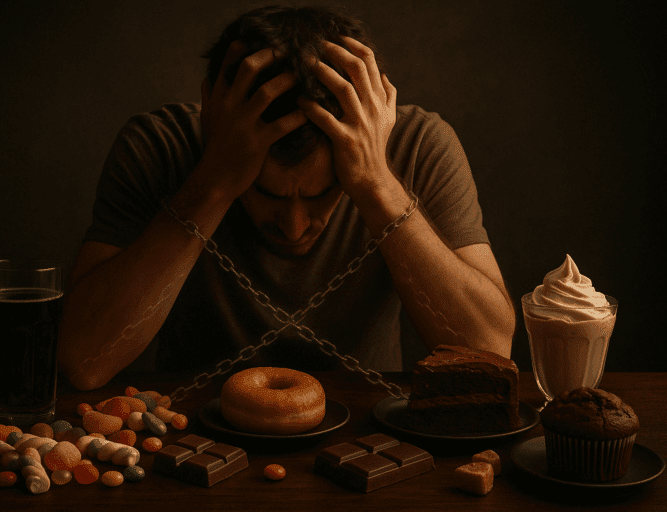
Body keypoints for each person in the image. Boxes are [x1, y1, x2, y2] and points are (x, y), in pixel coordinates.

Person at [58, 5, 515, 391]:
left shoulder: (418, 146)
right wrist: (214, 181)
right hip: (192, 432)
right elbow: (83, 361)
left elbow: (490, 352)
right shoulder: (160, 145)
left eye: (322, 194)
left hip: (368, 431)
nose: (294, 227)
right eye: (265, 191)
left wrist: (377, 184)